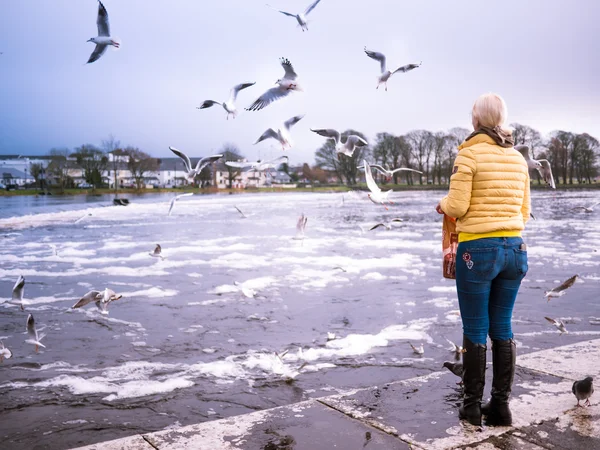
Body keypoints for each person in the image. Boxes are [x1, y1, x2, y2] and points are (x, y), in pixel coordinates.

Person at [436, 93, 530, 427]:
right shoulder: (518, 159)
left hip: (478, 251)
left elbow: (458, 207)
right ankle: (501, 407)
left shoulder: (469, 154)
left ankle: (472, 406)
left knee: (475, 327)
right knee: (502, 327)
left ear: (475, 120)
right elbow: (524, 211)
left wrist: (443, 204)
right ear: (501, 120)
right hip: (515, 250)